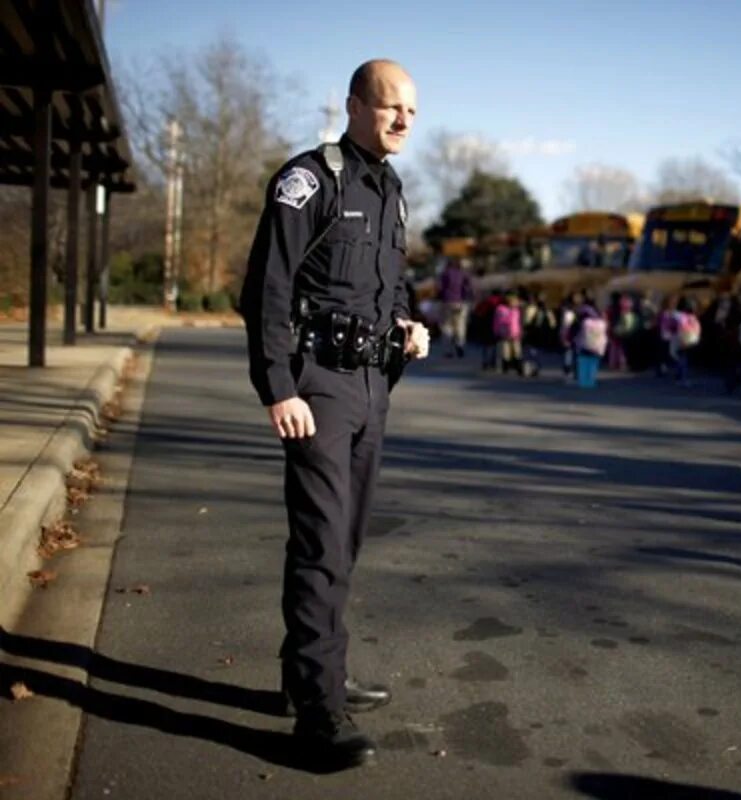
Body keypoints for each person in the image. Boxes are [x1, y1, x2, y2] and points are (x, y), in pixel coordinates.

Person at [239, 59, 427, 770]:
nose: (404, 121)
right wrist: (278, 387)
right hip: (317, 388)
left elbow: (391, 283)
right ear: (354, 106)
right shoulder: (311, 180)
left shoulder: (393, 190)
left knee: (342, 543)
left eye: (412, 110)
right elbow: (268, 288)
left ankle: (308, 675)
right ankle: (319, 713)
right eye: (390, 108)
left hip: (374, 388)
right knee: (321, 544)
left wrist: (409, 324)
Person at [437, 257, 473, 358]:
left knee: (447, 326)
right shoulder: (463, 273)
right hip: (461, 302)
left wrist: (441, 297)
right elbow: (468, 287)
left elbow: (440, 287)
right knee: (460, 325)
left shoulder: (445, 273)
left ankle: (448, 350)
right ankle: (460, 344)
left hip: (447, 301)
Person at [493, 290, 524, 375]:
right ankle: (505, 366)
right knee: (505, 351)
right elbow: (496, 322)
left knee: (517, 351)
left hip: (515, 333)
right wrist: (496, 332)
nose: (513, 302)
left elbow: (520, 322)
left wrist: (521, 331)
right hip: (504, 334)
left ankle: (519, 367)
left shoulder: (517, 310)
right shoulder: (500, 309)